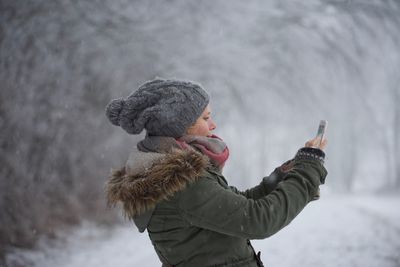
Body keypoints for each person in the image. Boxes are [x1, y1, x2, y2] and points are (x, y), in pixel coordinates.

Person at [105, 78, 328, 267]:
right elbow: (258, 219)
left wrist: (286, 173)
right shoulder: (182, 183)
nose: (213, 125)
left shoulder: (165, 172)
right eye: (205, 118)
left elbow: (238, 206)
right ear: (180, 127)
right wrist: (307, 172)